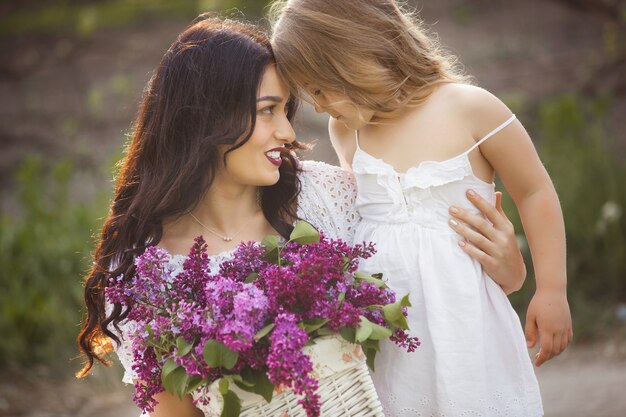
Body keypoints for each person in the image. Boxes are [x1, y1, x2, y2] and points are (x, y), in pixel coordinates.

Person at [76, 14, 528, 416]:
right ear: (206, 120)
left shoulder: (324, 197)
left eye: (286, 110)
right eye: (268, 111)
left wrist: (506, 270)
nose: (289, 132)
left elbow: (427, 274)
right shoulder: (145, 275)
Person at [270, 1, 573, 416]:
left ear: (357, 56)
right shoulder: (346, 131)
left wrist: (552, 288)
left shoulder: (470, 108)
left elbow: (535, 191)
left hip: (464, 321)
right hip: (391, 334)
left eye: (320, 89)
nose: (318, 106)